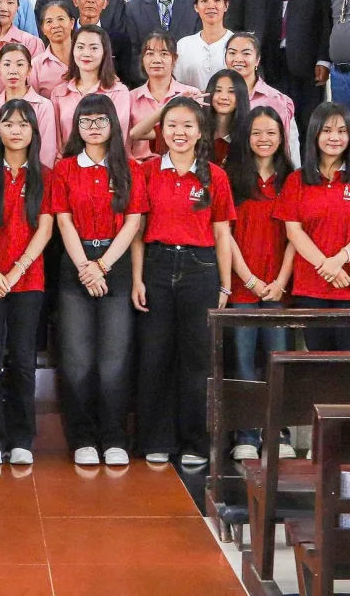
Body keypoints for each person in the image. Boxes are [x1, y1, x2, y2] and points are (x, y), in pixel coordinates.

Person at [132, 96, 235, 469]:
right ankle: (156, 438)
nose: (180, 132)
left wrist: (225, 285)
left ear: (201, 132)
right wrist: (137, 279)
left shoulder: (215, 176)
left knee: (198, 359)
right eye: (172, 125)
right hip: (156, 266)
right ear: (161, 131)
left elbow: (222, 234)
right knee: (155, 355)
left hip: (200, 268)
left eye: (188, 125)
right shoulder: (147, 172)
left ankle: (196, 441)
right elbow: (138, 231)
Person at [51, 95, 145, 466]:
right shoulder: (65, 169)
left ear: (113, 125)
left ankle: (115, 437)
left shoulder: (129, 168)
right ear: (76, 126)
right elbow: (63, 221)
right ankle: (83, 438)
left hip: (115, 263)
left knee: (114, 360)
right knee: (77, 359)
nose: (93, 127)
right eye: (85, 120)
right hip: (75, 264)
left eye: (100, 120)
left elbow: (133, 223)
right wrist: (84, 267)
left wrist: (102, 266)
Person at [276, 102, 350, 352]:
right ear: (315, 133)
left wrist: (339, 260)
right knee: (318, 364)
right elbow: (294, 231)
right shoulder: (297, 180)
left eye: (341, 131)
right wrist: (326, 266)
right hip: (311, 287)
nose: (334, 138)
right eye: (327, 130)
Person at [0, 99, 53, 467]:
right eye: (9, 124)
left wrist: (16, 271)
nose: (16, 130)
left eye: (23, 124)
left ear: (34, 132)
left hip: (28, 280)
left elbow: (45, 229)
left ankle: (22, 438)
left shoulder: (44, 175)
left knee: (23, 361)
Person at [223, 106, 295, 459]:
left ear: (281, 138)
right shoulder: (231, 177)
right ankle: (246, 435)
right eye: (256, 133)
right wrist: (249, 279)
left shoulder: (292, 179)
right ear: (246, 137)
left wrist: (280, 281)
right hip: (242, 286)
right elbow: (225, 233)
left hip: (279, 288)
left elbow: (297, 235)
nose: (264, 139)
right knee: (242, 362)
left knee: (276, 361)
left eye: (271, 133)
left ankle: (277, 432)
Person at [258, 0, 334, 136]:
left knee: (309, 126)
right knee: (273, 125)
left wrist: (324, 59)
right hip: (271, 61)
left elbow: (327, 19)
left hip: (308, 64)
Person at [123, 0, 199, 87]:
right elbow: (132, 55)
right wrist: (153, 84)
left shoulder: (195, 7)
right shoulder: (132, 9)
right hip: (146, 86)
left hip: (187, 86)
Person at [223, 33, 300, 164]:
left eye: (246, 53)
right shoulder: (217, 95)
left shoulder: (277, 100)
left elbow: (289, 147)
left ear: (257, 60)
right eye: (232, 53)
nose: (238, 59)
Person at [126, 31, 203, 160]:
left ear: (174, 59)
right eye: (150, 54)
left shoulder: (191, 93)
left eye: (164, 54)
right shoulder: (130, 97)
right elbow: (125, 143)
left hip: (180, 165)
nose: (156, 60)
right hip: (140, 166)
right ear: (143, 59)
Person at [52, 24, 132, 148]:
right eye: (80, 47)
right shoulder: (59, 92)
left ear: (104, 52)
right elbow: (55, 142)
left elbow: (118, 138)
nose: (86, 53)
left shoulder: (119, 92)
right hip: (67, 159)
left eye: (94, 48)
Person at [0, 42, 58, 168]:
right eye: (6, 64)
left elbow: (47, 152)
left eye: (20, 64)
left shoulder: (43, 106)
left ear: (29, 70)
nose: (13, 71)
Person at [174, 0, 233, 89]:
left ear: (226, 5)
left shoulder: (236, 42)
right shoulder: (183, 45)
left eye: (217, 0)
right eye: (204, 1)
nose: (211, 6)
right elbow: (176, 84)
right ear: (196, 7)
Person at [32, 0, 75, 98]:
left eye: (61, 19)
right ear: (42, 29)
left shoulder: (85, 56)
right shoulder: (36, 66)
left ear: (72, 23)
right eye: (49, 21)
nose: (55, 25)